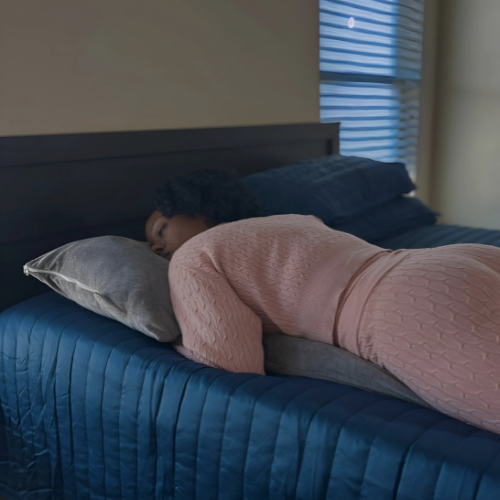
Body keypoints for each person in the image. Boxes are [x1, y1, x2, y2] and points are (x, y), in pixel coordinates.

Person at [145, 169, 500, 434]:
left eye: (160, 230)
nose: (156, 248)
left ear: (197, 212)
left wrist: (181, 342)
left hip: (404, 304)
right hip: (449, 259)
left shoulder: (193, 256)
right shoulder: (294, 221)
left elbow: (229, 366)